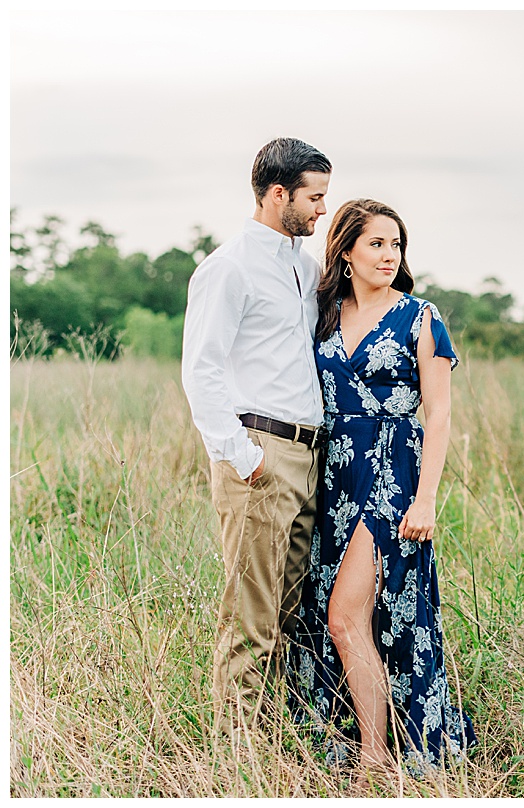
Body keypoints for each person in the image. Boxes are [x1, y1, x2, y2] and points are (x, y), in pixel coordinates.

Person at [288, 198, 476, 773]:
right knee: (339, 617)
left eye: (396, 245)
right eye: (376, 243)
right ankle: (361, 738)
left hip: (393, 478)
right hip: (333, 478)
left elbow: (438, 415)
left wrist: (426, 499)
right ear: (344, 250)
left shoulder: (421, 317)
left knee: (349, 615)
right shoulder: (322, 312)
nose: (389, 255)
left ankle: (376, 756)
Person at [181, 137, 332, 738]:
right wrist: (243, 458)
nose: (322, 209)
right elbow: (202, 369)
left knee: (288, 612)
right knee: (251, 616)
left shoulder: (305, 266)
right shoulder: (228, 267)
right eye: (314, 197)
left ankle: (275, 737)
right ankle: (237, 757)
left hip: (309, 454)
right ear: (277, 194)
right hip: (259, 453)